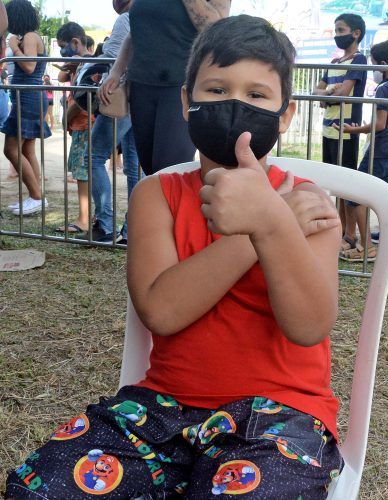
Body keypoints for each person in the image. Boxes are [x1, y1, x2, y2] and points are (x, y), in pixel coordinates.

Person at [5, 15, 345, 498]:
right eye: (216, 89)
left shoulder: (307, 203)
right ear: (187, 102)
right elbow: (161, 313)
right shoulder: (156, 195)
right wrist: (256, 232)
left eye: (256, 95)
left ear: (284, 115)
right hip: (161, 410)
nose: (234, 105)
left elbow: (308, 326)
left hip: (280, 418)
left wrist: (273, 222)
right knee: (38, 489)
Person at [98, 0, 232, 175]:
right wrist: (116, 72)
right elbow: (134, 33)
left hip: (180, 88)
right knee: (150, 169)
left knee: (169, 170)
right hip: (141, 86)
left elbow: (216, 29)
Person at [334, 39, 388, 262]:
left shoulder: (384, 88)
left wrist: (355, 130)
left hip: (380, 151)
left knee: (355, 197)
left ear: (383, 64)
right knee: (385, 201)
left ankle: (367, 247)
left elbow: (380, 124)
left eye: (374, 64)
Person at [84, 0, 140, 243]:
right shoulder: (147, 18)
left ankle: (105, 224)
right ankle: (131, 230)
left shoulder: (127, 18)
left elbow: (113, 56)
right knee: (134, 167)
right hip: (142, 95)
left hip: (119, 96)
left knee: (93, 157)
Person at [313, 13, 367, 254]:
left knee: (347, 187)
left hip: (346, 130)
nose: (337, 35)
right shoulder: (334, 62)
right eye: (335, 30)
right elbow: (317, 92)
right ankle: (341, 230)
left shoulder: (359, 59)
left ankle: (351, 235)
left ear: (356, 33)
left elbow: (344, 92)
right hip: (328, 129)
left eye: (341, 30)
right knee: (335, 185)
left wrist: (328, 94)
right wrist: (327, 94)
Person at [2, 0, 51, 216]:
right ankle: (36, 197)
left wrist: (13, 47)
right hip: (30, 97)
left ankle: (36, 197)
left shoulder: (30, 37)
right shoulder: (29, 37)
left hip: (28, 98)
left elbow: (30, 66)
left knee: (10, 149)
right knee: (27, 150)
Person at [55, 22, 94, 235]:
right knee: (84, 171)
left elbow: (81, 100)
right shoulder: (81, 64)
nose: (62, 51)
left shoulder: (88, 65)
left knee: (82, 172)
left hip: (84, 122)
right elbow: (62, 77)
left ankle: (84, 219)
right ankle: (89, 216)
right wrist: (70, 65)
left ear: (76, 42)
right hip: (82, 123)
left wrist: (66, 119)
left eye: (63, 47)